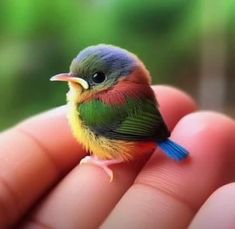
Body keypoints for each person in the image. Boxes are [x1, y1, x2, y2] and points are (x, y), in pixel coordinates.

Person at [0, 85, 235, 228]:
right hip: (156, 137)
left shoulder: (91, 107)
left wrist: (103, 161)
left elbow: (119, 136)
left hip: (140, 140)